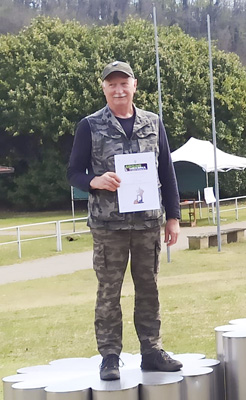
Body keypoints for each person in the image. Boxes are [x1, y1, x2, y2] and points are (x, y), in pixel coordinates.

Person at [67, 61, 183, 380]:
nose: (118, 90)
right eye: (111, 84)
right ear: (103, 88)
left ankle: (152, 350)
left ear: (134, 85)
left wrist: (173, 217)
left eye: (124, 83)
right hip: (109, 226)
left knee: (149, 288)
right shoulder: (89, 125)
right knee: (109, 291)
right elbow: (73, 173)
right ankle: (109, 356)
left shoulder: (153, 122)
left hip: (147, 223)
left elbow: (167, 173)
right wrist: (95, 181)